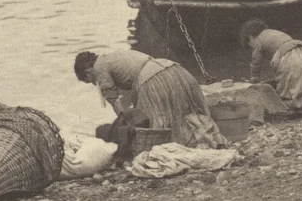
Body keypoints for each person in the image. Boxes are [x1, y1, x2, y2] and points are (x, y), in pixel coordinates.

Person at [74, 50, 226, 148]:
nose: (94, 84)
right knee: (186, 111)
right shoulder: (111, 57)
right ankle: (209, 137)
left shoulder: (99, 68)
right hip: (169, 68)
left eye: (90, 81)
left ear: (88, 72)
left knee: (157, 122)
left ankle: (185, 143)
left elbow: (115, 101)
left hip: (152, 79)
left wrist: (124, 126)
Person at [239, 18, 302, 114]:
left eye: (250, 45)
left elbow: (256, 60)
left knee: (287, 92)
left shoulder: (258, 40)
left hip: (290, 58)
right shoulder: (274, 33)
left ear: (251, 37)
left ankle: (301, 105)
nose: (252, 48)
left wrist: (254, 79)